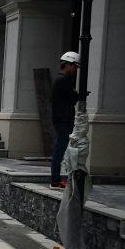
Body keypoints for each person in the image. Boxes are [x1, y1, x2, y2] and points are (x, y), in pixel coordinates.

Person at [50, 51, 80, 189]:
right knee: (60, 149)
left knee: (61, 149)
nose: (75, 70)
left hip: (62, 119)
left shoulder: (61, 80)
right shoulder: (63, 80)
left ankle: (56, 179)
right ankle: (55, 180)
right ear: (68, 65)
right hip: (63, 119)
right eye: (74, 66)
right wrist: (78, 94)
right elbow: (72, 98)